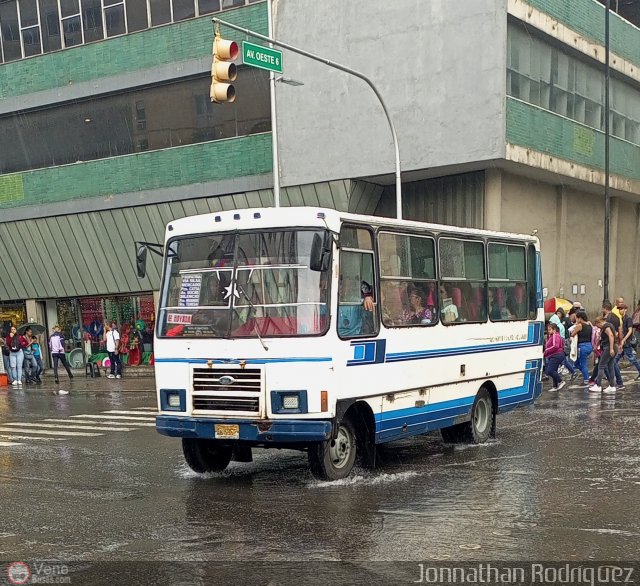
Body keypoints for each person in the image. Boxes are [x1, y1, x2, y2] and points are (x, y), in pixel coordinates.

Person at [589, 316, 616, 394]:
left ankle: (598, 385)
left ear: (599, 322)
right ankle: (612, 386)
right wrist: (596, 346)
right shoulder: (606, 326)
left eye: (598, 326)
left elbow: (611, 336)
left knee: (601, 366)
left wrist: (611, 348)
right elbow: (600, 338)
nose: (598, 327)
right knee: (610, 366)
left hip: (609, 348)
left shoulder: (606, 327)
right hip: (612, 347)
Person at [615, 303, 640, 381]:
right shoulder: (620, 318)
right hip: (622, 343)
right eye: (619, 309)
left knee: (632, 359)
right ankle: (612, 374)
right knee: (616, 359)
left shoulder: (628, 318)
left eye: (622, 309)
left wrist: (624, 339)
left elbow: (630, 331)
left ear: (626, 309)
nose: (620, 310)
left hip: (626, 342)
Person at [602, 300, 624, 389]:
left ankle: (617, 382)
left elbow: (611, 333)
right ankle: (614, 382)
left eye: (603, 308)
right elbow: (620, 330)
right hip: (614, 343)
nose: (602, 310)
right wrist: (620, 342)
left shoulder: (607, 319)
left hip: (608, 343)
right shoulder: (616, 318)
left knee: (610, 363)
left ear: (606, 309)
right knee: (609, 363)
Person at [570, 310, 593, 385]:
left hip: (582, 347)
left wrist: (576, 325)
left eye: (577, 318)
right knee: (577, 363)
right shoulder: (589, 325)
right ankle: (586, 374)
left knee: (583, 364)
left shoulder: (580, 325)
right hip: (589, 345)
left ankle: (586, 379)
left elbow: (572, 334)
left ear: (580, 318)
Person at [543, 322, 566, 391]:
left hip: (556, 355)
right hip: (554, 355)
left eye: (550, 329)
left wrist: (546, 351)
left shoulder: (555, 335)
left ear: (554, 329)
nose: (548, 331)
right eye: (548, 330)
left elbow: (555, 346)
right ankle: (555, 386)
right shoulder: (552, 336)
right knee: (554, 370)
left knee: (550, 371)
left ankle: (561, 381)